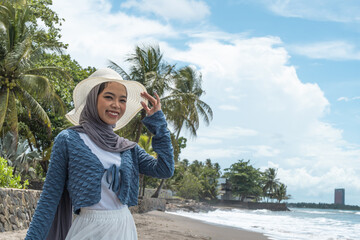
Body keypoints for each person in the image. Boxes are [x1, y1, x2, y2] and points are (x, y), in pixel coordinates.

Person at [25, 68, 174, 240]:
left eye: (122, 100)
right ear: (93, 98)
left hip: (124, 229)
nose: (116, 105)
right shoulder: (68, 140)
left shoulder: (127, 148)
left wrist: (159, 126)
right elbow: (49, 199)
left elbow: (165, 169)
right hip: (88, 229)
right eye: (109, 97)